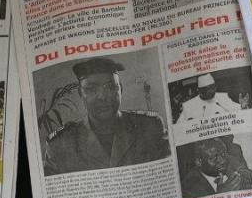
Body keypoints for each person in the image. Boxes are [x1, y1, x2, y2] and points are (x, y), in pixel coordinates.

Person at [43, 57, 171, 175]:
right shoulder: (61, 144)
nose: (102, 96)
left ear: (120, 89)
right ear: (81, 94)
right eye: (92, 89)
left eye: (110, 87)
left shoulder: (150, 127)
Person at [180, 136, 252, 198]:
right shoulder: (188, 188)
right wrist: (221, 195)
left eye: (223, 154)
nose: (223, 160)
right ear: (199, 162)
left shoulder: (232, 161)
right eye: (214, 157)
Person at [176, 73, 241, 123]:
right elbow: (179, 126)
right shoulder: (189, 105)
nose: (211, 91)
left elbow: (237, 110)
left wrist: (243, 106)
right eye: (206, 89)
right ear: (199, 91)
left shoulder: (223, 97)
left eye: (212, 88)